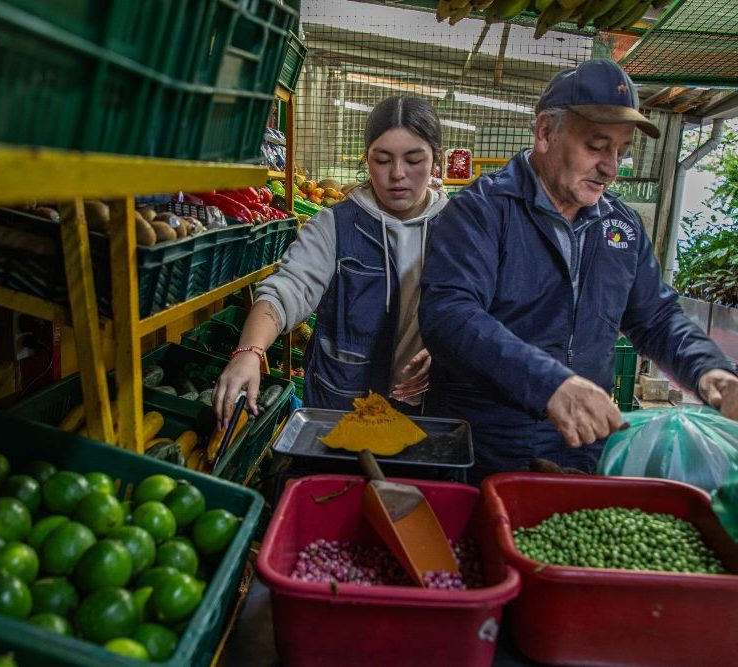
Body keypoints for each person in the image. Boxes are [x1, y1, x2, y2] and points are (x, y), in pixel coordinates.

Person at [419, 59, 738, 484]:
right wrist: (550, 384)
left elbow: (657, 317)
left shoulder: (620, 226)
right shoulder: (482, 212)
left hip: (580, 446)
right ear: (546, 132)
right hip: (483, 445)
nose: (610, 167)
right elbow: (449, 314)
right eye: (597, 145)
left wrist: (710, 371)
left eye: (621, 152)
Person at [213, 96, 448, 428]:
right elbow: (288, 287)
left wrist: (449, 353)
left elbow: (481, 310)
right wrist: (249, 351)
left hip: (425, 409)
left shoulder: (458, 229)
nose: (398, 174)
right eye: (382, 160)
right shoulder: (334, 226)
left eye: (413, 160)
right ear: (366, 159)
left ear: (436, 160)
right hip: (341, 406)